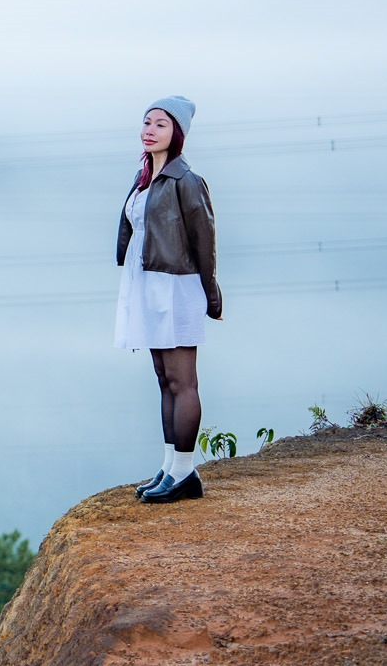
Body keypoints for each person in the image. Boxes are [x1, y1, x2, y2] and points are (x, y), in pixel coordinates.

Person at [115, 95, 221, 503]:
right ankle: (169, 467)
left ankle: (185, 473)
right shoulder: (144, 176)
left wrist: (212, 296)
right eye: (147, 122)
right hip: (148, 285)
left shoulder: (186, 181)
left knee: (182, 381)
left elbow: (204, 242)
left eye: (161, 124)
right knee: (164, 379)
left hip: (176, 287)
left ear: (177, 133)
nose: (150, 130)